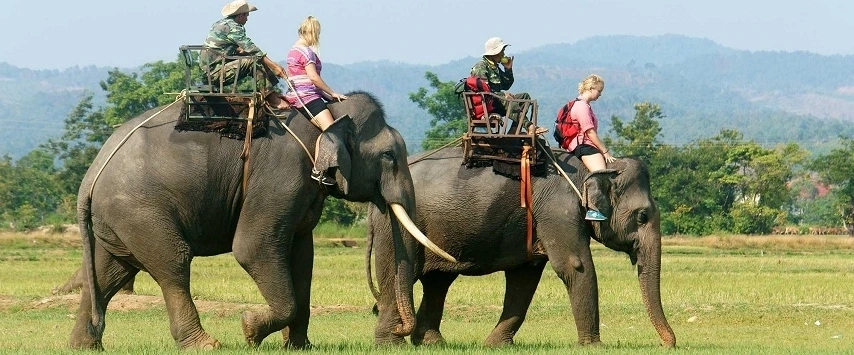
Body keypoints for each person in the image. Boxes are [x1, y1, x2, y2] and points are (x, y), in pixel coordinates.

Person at [283, 16, 348, 186]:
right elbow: (313, 78)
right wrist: (332, 92)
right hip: (307, 98)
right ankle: (318, 171)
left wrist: (328, 97)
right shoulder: (306, 52)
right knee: (331, 130)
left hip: (298, 94)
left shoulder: (293, 50)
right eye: (317, 33)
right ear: (312, 32)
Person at [199, 0, 289, 109]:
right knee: (253, 61)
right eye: (247, 16)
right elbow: (252, 48)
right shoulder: (234, 27)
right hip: (215, 73)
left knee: (255, 57)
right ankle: (273, 99)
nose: (247, 19)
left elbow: (224, 46)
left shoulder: (220, 24)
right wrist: (274, 66)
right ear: (241, 15)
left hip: (212, 70)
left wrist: (240, 51)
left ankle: (272, 92)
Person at [470, 37, 547, 134]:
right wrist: (503, 95)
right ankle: (530, 126)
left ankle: (514, 130)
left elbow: (506, 85)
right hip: (488, 104)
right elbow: (484, 92)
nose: (503, 54)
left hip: (497, 101)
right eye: (502, 51)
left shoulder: (495, 66)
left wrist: (508, 69)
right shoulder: (481, 67)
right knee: (508, 100)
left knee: (524, 97)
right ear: (495, 53)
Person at [566, 74, 616, 221]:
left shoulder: (582, 105)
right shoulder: (582, 107)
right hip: (584, 145)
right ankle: (593, 209)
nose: (600, 94)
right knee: (600, 173)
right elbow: (590, 132)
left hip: (583, 144)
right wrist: (605, 151)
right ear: (591, 88)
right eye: (599, 91)